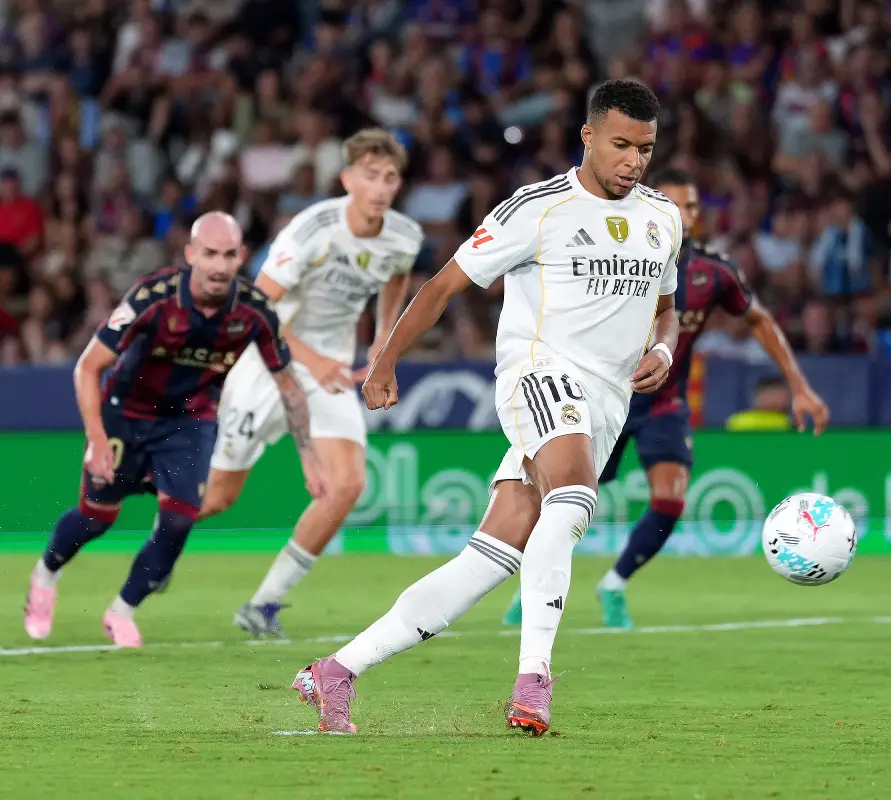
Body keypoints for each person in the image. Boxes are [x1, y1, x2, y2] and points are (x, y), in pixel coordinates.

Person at [291, 79, 681, 736]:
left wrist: (665, 354)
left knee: (490, 556)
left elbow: (667, 313)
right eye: (620, 145)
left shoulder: (663, 218)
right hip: (539, 373)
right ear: (588, 136)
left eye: (644, 148)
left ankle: (337, 670)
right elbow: (443, 284)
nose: (633, 161)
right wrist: (386, 359)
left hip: (608, 402)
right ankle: (534, 679)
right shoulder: (536, 208)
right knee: (575, 498)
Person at [500, 167, 830, 629]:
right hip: (597, 398)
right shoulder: (618, 252)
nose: (685, 213)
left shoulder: (713, 272)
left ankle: (614, 583)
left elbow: (759, 320)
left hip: (664, 402)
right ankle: (531, 587)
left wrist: (799, 385)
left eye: (692, 204)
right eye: (674, 202)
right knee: (559, 499)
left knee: (671, 497)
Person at [23, 213, 326, 648]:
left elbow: (288, 386)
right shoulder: (152, 296)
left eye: (228, 255)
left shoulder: (255, 311)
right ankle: (45, 575)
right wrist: (95, 440)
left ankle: (121, 611)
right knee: (96, 518)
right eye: (210, 254)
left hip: (191, 421)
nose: (220, 266)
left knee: (180, 521)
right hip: (125, 416)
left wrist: (309, 458)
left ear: (241, 256)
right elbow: (88, 367)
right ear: (190, 255)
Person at [196, 129, 422, 638]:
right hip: (266, 365)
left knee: (348, 485)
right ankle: (154, 531)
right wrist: (314, 359)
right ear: (347, 180)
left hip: (330, 372)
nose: (381, 187)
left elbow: (395, 277)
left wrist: (382, 341)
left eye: (390, 177)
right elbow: (256, 305)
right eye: (370, 175)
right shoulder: (313, 228)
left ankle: (263, 605)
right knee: (217, 498)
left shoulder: (404, 235)